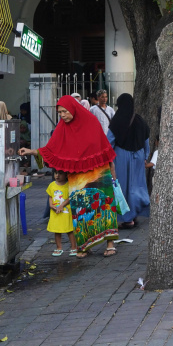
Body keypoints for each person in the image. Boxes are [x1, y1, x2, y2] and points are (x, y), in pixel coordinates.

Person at [19, 95, 119, 258]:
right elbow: (51, 149)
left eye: (65, 111)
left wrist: (113, 175)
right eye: (60, 113)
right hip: (77, 176)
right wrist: (31, 151)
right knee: (81, 210)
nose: (63, 115)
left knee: (103, 207)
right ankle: (85, 246)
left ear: (73, 108)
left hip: (98, 173)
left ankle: (110, 244)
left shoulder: (91, 122)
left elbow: (103, 147)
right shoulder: (62, 127)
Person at [107, 94, 150, 229]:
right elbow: (146, 141)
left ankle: (127, 218)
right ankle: (135, 213)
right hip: (138, 156)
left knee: (123, 186)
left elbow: (109, 142)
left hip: (121, 157)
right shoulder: (140, 120)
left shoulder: (117, 120)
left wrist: (107, 159)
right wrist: (145, 157)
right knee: (137, 186)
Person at [47, 169, 78, 257]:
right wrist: (51, 205)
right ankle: (59, 247)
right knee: (57, 231)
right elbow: (50, 196)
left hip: (66, 211)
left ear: (66, 175)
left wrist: (62, 206)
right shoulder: (51, 185)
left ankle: (73, 247)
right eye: (56, 173)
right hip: (55, 212)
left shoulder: (68, 185)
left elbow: (70, 197)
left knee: (69, 230)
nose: (57, 175)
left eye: (60, 173)